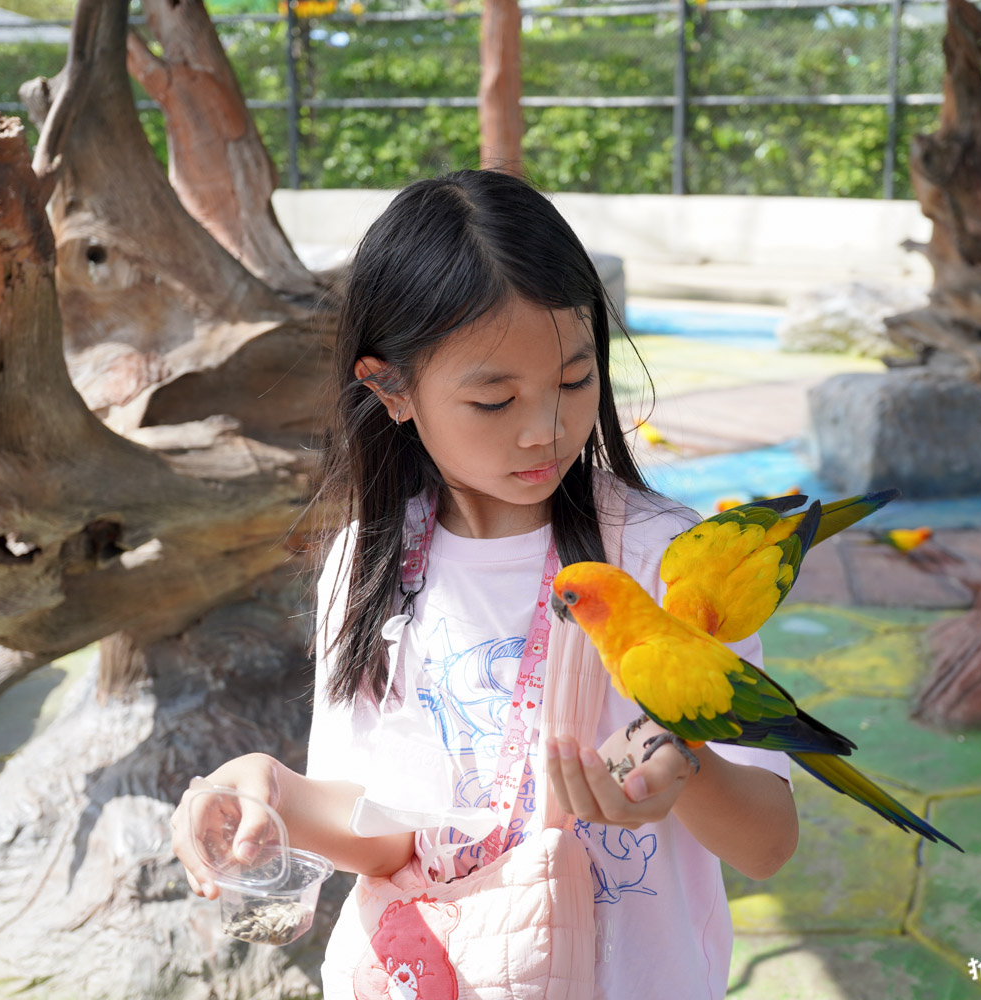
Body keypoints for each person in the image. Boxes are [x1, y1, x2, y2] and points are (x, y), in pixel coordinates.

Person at [170, 168, 797, 998]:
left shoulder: (664, 559)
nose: (546, 428)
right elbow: (391, 844)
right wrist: (268, 790)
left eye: (574, 381)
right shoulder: (367, 566)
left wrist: (686, 773)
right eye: (495, 400)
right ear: (390, 389)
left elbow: (768, 843)